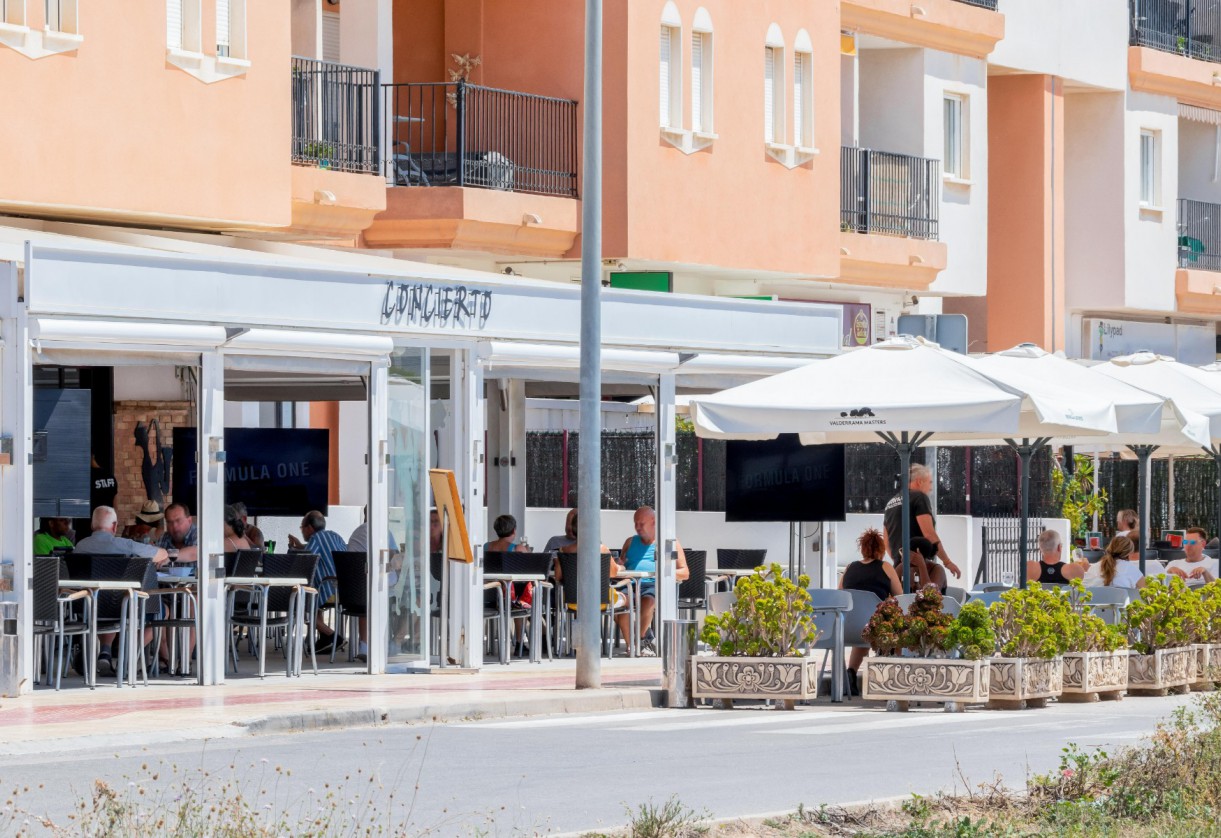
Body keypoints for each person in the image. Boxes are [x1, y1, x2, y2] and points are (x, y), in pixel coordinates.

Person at [74, 506, 169, 675]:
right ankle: (128, 656)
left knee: (105, 602)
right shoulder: (124, 545)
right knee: (162, 611)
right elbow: (161, 554)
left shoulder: (80, 546)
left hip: (87, 608)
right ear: (114, 526)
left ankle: (105, 651)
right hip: (123, 606)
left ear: (92, 525)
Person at [613, 507, 689, 656]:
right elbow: (622, 565)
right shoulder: (630, 542)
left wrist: (663, 574)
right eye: (635, 523)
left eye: (641, 523)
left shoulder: (669, 542)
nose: (637, 527)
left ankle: (638, 642)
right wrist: (619, 565)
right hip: (630, 584)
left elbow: (685, 573)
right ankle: (632, 646)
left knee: (648, 602)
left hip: (653, 584)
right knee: (620, 604)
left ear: (654, 522)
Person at [841, 528, 902, 694]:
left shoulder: (849, 568)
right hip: (875, 628)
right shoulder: (886, 567)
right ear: (881, 549)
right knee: (888, 624)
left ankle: (851, 674)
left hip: (847, 629)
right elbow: (900, 597)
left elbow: (840, 595)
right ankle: (884, 677)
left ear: (862, 548)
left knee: (863, 630)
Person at [882, 464, 961, 592]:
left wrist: (900, 558)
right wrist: (947, 562)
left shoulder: (891, 503)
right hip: (921, 564)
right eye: (929, 482)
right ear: (919, 481)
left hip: (900, 566)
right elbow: (929, 534)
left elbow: (886, 541)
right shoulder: (919, 497)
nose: (930, 488)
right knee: (928, 598)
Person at [288, 510, 348, 654]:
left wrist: (292, 550)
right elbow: (314, 551)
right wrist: (300, 546)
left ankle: (334, 636)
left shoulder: (315, 539)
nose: (302, 531)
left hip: (328, 589)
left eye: (302, 527)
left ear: (309, 528)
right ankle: (325, 640)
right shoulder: (335, 536)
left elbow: (305, 561)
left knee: (300, 606)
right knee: (312, 597)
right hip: (345, 589)